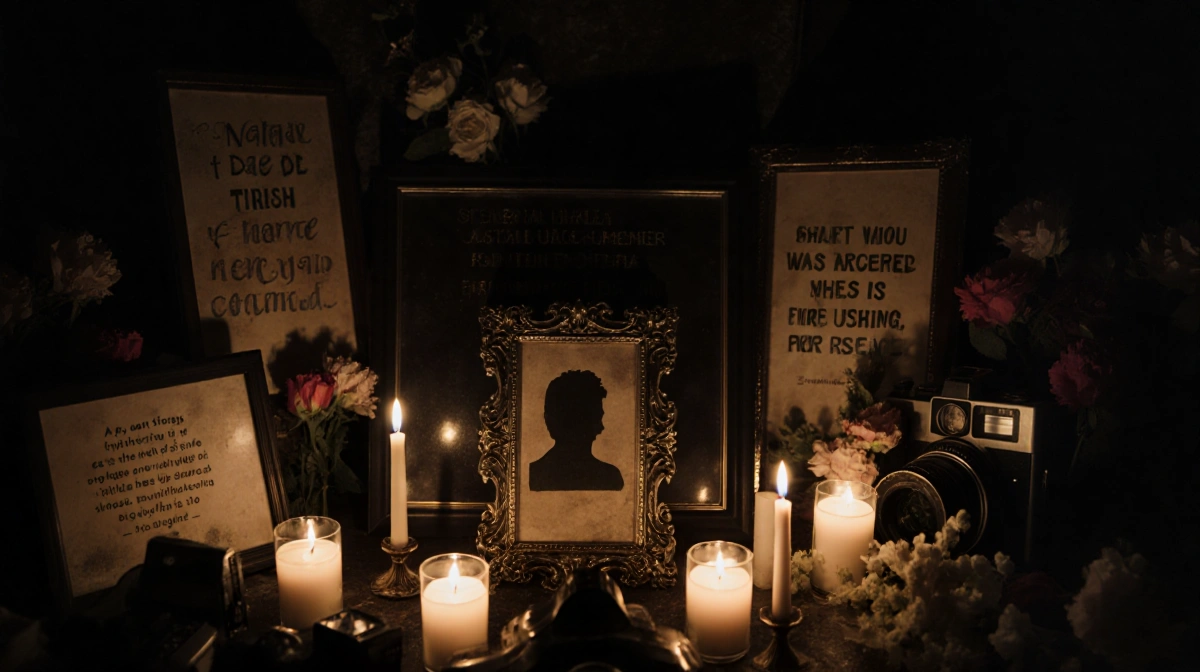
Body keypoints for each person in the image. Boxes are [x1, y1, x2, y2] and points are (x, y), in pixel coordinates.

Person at [529, 370, 624, 491]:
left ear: (548, 420)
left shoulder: (533, 474)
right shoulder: (610, 477)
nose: (601, 428)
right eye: (596, 418)